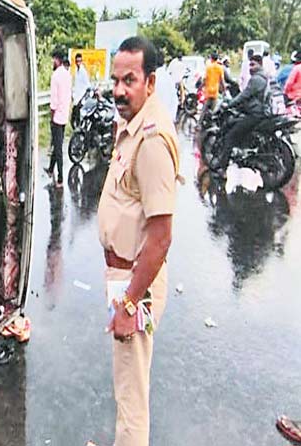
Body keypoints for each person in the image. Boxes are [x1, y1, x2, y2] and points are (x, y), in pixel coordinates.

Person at [98, 36, 179, 446]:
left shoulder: (150, 141)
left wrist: (130, 302)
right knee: (127, 383)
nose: (119, 90)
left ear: (150, 81)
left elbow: (161, 238)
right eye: (116, 80)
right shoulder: (131, 125)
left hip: (137, 283)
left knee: (132, 395)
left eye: (129, 79)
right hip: (125, 275)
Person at [214, 54, 270, 170]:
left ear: (260, 65)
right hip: (261, 113)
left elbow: (243, 96)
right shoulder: (264, 77)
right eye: (250, 65)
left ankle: (222, 166)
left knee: (230, 136)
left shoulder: (256, 79)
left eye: (253, 65)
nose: (250, 67)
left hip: (255, 115)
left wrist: (229, 104)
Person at [45, 50, 72, 187]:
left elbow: (54, 100)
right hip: (64, 114)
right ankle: (50, 169)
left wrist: (51, 114)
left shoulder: (56, 76)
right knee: (57, 143)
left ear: (57, 60)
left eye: (53, 59)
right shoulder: (68, 75)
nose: (52, 62)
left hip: (57, 116)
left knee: (58, 147)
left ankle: (60, 179)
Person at [201, 53, 224, 123]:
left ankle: (199, 123)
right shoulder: (220, 68)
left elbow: (204, 79)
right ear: (217, 59)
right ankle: (210, 123)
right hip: (215, 92)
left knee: (204, 110)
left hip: (208, 91)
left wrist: (201, 86)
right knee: (213, 110)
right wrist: (224, 90)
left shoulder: (208, 67)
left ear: (211, 58)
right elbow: (222, 81)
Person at [71, 52, 92, 125]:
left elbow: (88, 86)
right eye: (77, 61)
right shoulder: (77, 71)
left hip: (81, 99)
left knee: (78, 120)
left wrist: (83, 99)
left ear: (81, 61)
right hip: (76, 99)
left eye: (79, 61)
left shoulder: (83, 72)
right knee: (73, 119)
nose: (78, 63)